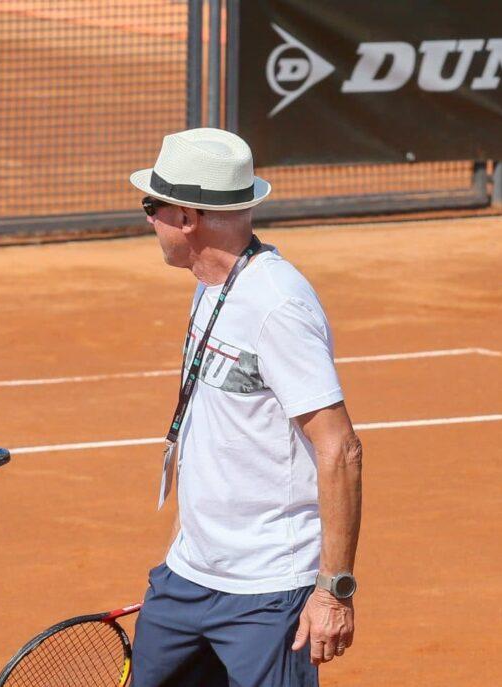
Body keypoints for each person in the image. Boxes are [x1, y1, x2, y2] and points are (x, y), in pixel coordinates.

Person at [127, 128, 362, 686]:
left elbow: (340, 447)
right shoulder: (210, 283)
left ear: (187, 218)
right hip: (188, 576)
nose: (148, 221)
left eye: (151, 207)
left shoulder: (277, 305)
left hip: (267, 592)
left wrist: (333, 590)